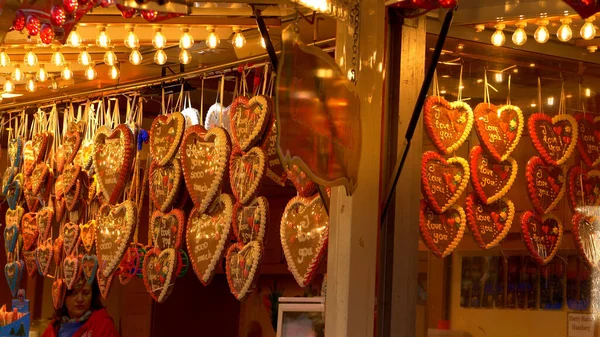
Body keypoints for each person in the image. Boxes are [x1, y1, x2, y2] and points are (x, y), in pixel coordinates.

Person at [41, 279, 119, 337]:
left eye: (85, 293)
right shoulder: (54, 327)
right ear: (63, 297)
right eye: (74, 293)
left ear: (93, 296)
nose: (80, 299)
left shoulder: (103, 326)